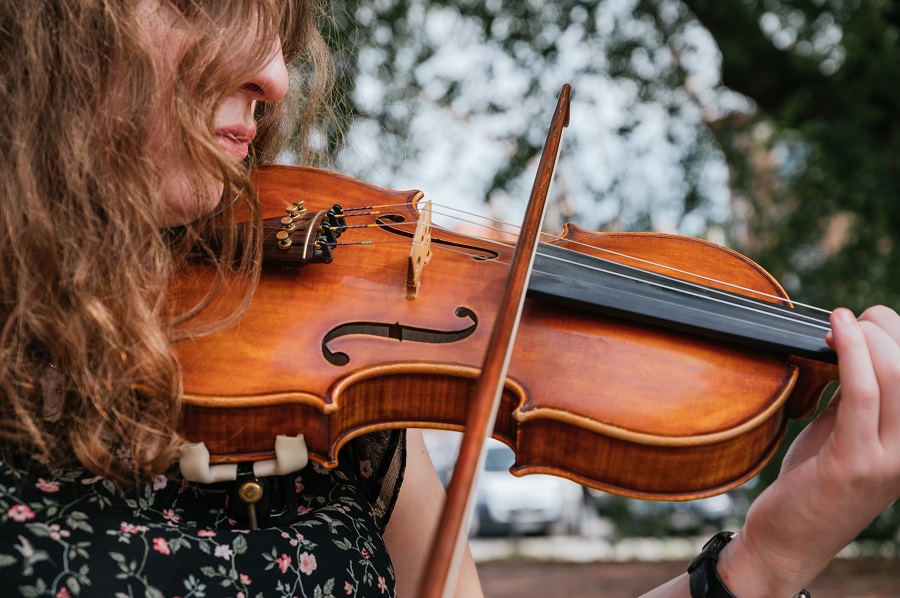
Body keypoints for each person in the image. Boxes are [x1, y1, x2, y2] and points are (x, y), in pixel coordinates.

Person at [0, 1, 897, 598]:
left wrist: (766, 561)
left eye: (277, 26)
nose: (273, 75)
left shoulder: (330, 395)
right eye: (204, 8)